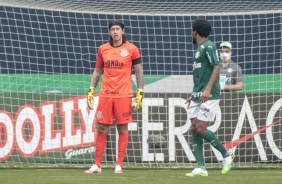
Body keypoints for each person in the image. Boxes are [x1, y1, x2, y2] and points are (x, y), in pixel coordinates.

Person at [85, 20, 144, 174]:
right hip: (106, 94)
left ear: (123, 31)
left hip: (124, 94)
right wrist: (91, 90)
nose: (116, 32)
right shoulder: (103, 49)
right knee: (102, 127)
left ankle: (118, 164)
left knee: (122, 127)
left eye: (118, 29)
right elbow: (97, 71)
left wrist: (140, 93)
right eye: (113, 29)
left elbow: (139, 72)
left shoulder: (132, 49)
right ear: (109, 32)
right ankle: (97, 165)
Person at [185, 19, 235, 177]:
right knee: (194, 127)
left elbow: (216, 66)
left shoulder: (209, 46)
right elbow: (202, 74)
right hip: (197, 94)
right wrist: (193, 94)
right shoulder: (199, 48)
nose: (190, 34)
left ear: (195, 32)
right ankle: (201, 167)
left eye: (191, 31)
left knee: (200, 128)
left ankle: (226, 155)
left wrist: (207, 90)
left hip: (209, 94)